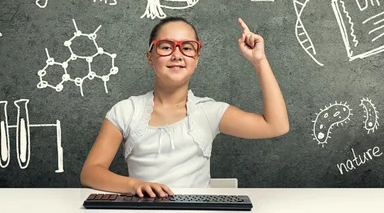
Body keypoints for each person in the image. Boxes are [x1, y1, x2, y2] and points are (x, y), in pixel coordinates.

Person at [80, 16, 288, 197]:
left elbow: (276, 125)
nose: (177, 55)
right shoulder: (126, 110)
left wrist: (259, 61)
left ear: (196, 59)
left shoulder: (209, 112)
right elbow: (91, 172)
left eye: (187, 48)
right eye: (166, 46)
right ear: (150, 57)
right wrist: (135, 185)